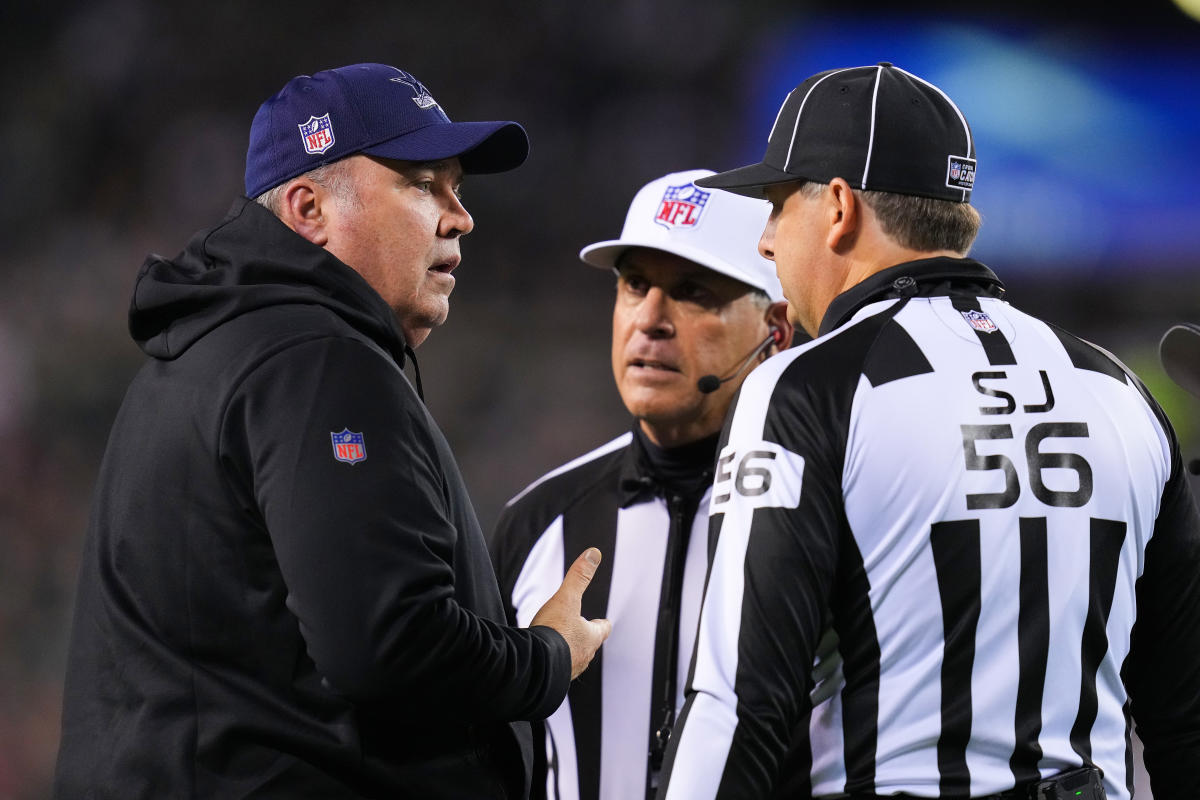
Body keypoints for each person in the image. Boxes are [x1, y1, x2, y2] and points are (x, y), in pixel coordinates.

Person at [54, 62, 610, 800]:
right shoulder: (314, 360)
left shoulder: (208, 353)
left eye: (458, 186)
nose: (459, 215)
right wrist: (543, 658)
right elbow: (386, 643)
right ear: (308, 207)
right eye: (420, 183)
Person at [657, 63, 1200, 800]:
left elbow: (738, 702)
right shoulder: (1119, 389)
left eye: (778, 206)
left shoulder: (805, 390)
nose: (764, 242)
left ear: (839, 208)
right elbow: (1185, 716)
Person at [489, 169, 793, 800]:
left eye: (693, 291)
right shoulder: (539, 521)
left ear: (777, 332)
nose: (650, 319)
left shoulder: (817, 510)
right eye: (634, 285)